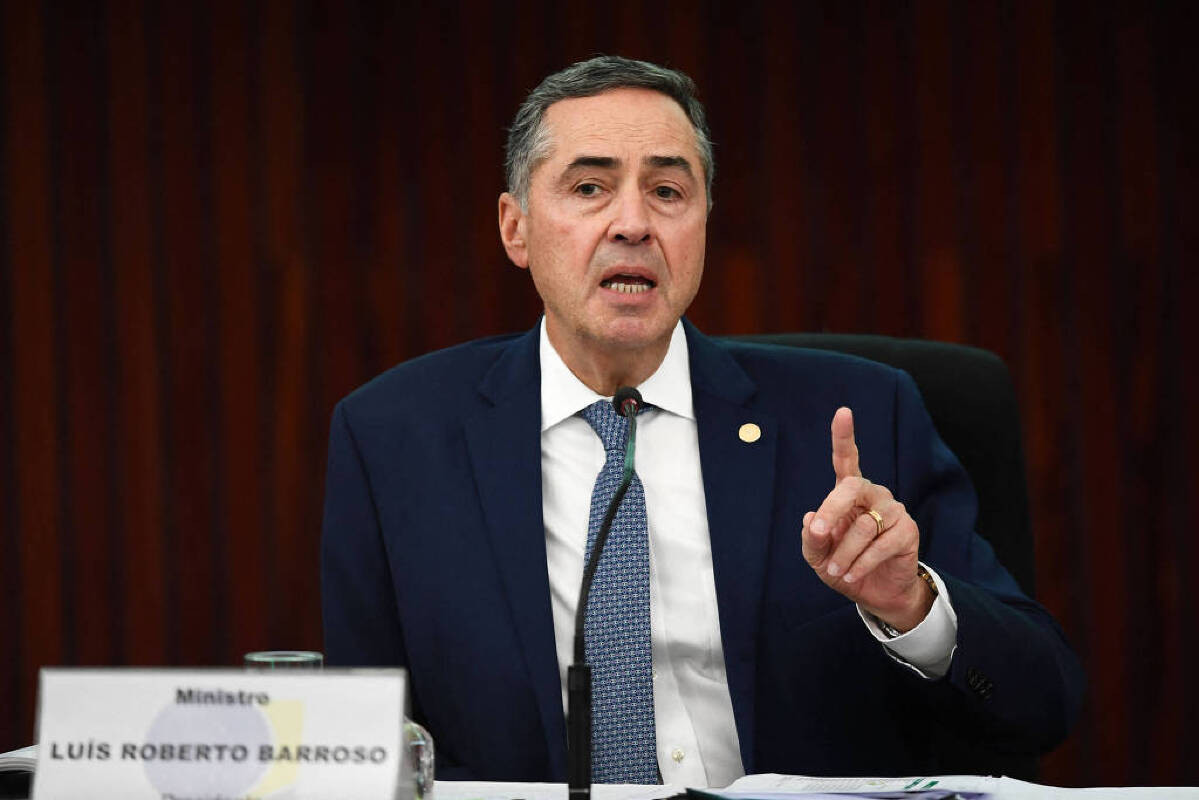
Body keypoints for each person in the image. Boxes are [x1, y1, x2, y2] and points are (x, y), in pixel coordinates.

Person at [321, 56, 1084, 786]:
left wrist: (911, 605)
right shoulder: (394, 439)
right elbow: (365, 750)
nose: (632, 223)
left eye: (667, 192)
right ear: (515, 228)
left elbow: (1042, 701)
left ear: (703, 223)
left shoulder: (857, 418)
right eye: (588, 188)